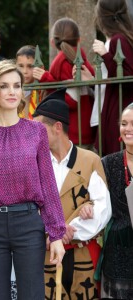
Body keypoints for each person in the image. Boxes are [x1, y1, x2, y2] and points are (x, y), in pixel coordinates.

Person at [0, 60, 66, 299]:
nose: (12, 91)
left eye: (17, 85)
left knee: (32, 294)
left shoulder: (37, 132)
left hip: (28, 223)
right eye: (4, 86)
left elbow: (48, 184)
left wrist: (56, 234)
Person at [33, 89, 112, 300]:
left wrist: (72, 231)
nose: (35, 135)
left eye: (40, 129)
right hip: (46, 253)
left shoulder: (90, 160)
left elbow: (102, 208)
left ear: (57, 127)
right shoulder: (34, 162)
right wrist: (55, 232)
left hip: (82, 252)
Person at [33, 17, 96, 149]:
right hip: (87, 127)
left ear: (52, 42)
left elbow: (68, 99)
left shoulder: (60, 61)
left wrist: (46, 79)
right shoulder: (82, 60)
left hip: (72, 131)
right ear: (79, 40)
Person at [98, 103, 133, 299]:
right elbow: (96, 200)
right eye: (124, 123)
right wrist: (88, 207)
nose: (128, 129)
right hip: (118, 249)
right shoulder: (108, 163)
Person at [92, 0, 133, 155]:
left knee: (118, 159)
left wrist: (106, 55)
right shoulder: (125, 37)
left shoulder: (118, 40)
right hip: (122, 106)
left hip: (120, 107)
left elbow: (127, 77)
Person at [16, 45, 39, 119]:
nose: (25, 71)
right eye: (21, 66)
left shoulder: (42, 91)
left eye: (30, 66)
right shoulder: (11, 90)